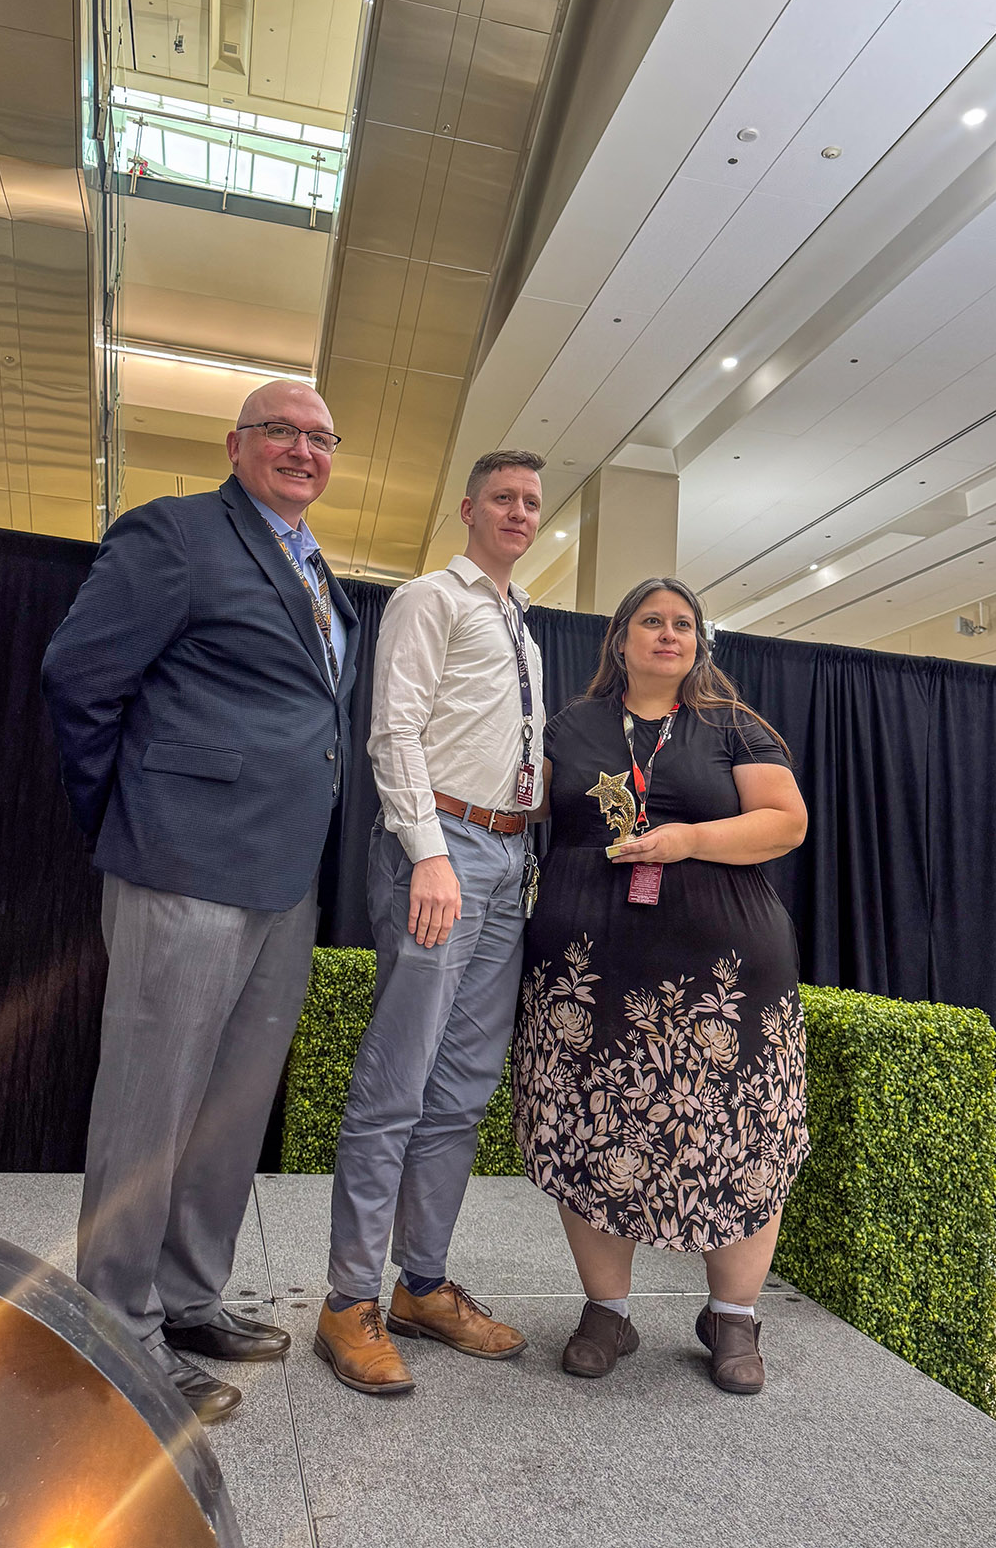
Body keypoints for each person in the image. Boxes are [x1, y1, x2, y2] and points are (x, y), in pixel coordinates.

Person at [42, 379, 357, 1424]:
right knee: (150, 1105)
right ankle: (114, 1327)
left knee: (230, 1109)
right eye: (281, 431)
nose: (302, 450)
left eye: (320, 437)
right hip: (180, 862)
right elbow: (79, 676)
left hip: (283, 878)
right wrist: (132, 816)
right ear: (235, 444)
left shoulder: (317, 570)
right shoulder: (176, 534)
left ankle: (186, 1299)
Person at [513, 577, 809, 1393]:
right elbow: (519, 806)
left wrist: (686, 841)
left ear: (698, 642)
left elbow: (784, 822)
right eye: (651, 621)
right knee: (592, 1132)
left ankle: (732, 1318)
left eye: (683, 623)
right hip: (586, 977)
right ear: (620, 638)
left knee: (737, 1136)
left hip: (725, 980)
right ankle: (606, 1311)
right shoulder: (570, 727)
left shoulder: (733, 726)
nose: (668, 634)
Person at [316, 450, 546, 1395]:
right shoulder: (430, 599)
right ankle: (347, 1303)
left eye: (531, 502)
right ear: (467, 509)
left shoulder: (522, 624)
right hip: (442, 846)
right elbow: (393, 731)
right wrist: (428, 853)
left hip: (509, 856)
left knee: (460, 1092)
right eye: (503, 498)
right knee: (397, 1083)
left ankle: (421, 1286)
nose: (519, 512)